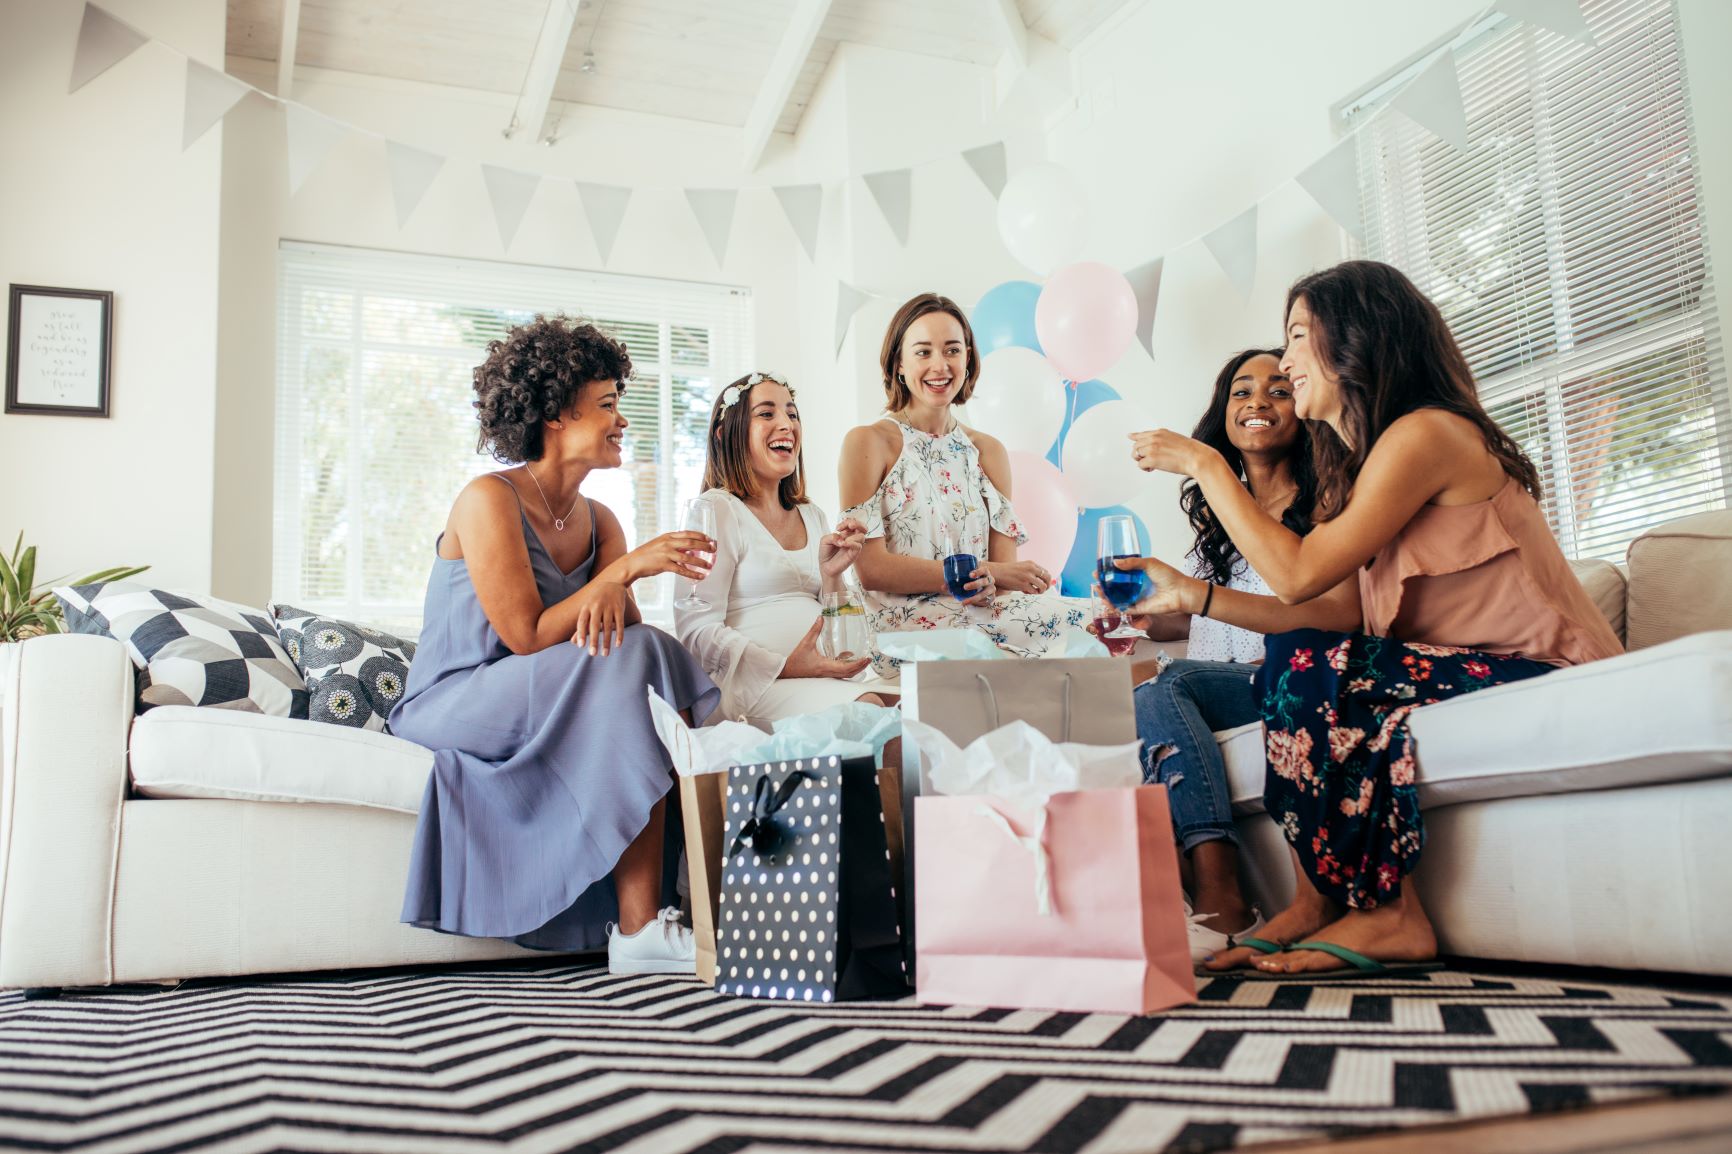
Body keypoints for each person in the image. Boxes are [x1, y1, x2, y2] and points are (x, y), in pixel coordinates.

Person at [1125, 261, 1622, 977]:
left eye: (1299, 337)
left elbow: (1297, 575)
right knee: (1301, 652)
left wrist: (1207, 465)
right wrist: (1191, 595)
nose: (1286, 361)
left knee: (1308, 660)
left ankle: (1392, 913)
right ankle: (1317, 899)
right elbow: (1329, 610)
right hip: (1457, 671)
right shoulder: (1357, 468)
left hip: (1547, 673)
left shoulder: (1427, 434)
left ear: (1356, 338)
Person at [391, 315, 721, 977]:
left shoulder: (601, 520)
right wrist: (624, 571)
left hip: (546, 694)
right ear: (555, 415)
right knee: (642, 658)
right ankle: (640, 930)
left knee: (652, 654)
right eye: (606, 405)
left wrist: (619, 580)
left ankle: (693, 904)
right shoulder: (488, 500)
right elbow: (526, 635)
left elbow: (624, 642)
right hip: (458, 697)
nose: (621, 420)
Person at [1121, 348, 1360, 966]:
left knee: (1163, 686)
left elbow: (1330, 612)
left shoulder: (1325, 504)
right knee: (1125, 689)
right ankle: (1146, 898)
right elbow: (1196, 613)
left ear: (1304, 409)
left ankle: (1222, 894)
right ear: (1223, 414)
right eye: (1242, 391)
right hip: (1218, 683)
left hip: (1281, 678)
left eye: (1280, 390)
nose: (1258, 402)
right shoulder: (1220, 519)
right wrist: (1142, 614)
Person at [840, 292, 1088, 676]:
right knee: (1087, 626)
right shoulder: (868, 442)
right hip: (903, 628)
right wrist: (989, 571)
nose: (940, 365)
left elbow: (1003, 579)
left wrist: (990, 581)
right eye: (923, 352)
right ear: (898, 362)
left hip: (980, 617)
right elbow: (870, 569)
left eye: (952, 350)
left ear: (968, 358)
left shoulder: (988, 451)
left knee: (1100, 622)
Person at [676, 371, 894, 727]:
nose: (786, 424)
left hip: (817, 681)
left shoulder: (813, 515)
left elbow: (840, 634)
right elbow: (695, 629)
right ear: (724, 434)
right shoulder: (716, 510)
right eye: (767, 413)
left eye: (792, 414)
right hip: (752, 689)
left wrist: (832, 577)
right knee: (867, 711)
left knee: (907, 707)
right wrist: (784, 666)